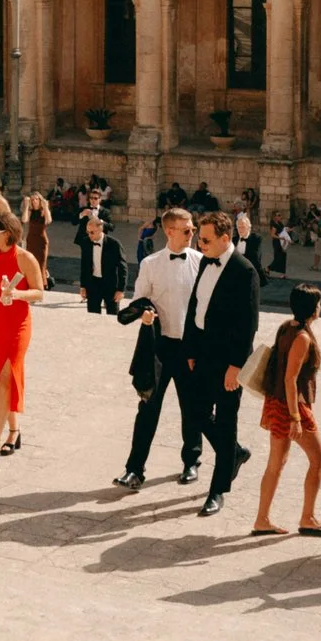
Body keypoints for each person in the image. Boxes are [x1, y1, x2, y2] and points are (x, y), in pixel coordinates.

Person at [113, 207, 202, 488]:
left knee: (191, 407)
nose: (192, 234)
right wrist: (144, 313)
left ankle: (191, 462)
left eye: (193, 229)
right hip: (160, 347)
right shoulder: (151, 264)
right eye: (187, 230)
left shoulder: (201, 262)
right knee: (148, 408)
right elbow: (140, 299)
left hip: (190, 347)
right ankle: (134, 469)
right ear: (170, 231)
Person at [185, 210, 261, 517]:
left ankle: (217, 490)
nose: (199, 244)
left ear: (225, 239)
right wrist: (191, 348)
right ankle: (235, 453)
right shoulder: (206, 260)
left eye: (205, 239)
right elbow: (195, 306)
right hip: (202, 352)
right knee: (196, 413)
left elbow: (248, 324)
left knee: (227, 420)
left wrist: (236, 366)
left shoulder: (245, 272)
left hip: (229, 359)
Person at [248, 285, 321, 538]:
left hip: (277, 402)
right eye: (318, 303)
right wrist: (296, 417)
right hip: (293, 406)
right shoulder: (303, 338)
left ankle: (262, 519)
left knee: (276, 463)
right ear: (312, 308)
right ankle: (308, 518)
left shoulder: (286, 327)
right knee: (319, 459)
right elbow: (290, 379)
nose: (320, 307)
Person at [0, 211, 44, 467]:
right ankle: (14, 431)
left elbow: (39, 293)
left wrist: (16, 295)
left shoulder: (26, 258)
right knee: (2, 379)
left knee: (4, 378)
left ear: (9, 233)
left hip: (17, 326)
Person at [77, 212, 125, 314]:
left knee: (113, 316)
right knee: (92, 315)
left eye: (92, 232)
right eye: (88, 232)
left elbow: (123, 268)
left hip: (111, 285)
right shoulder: (85, 243)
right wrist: (83, 286)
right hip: (93, 284)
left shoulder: (114, 244)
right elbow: (84, 266)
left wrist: (121, 290)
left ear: (100, 229)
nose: (89, 235)